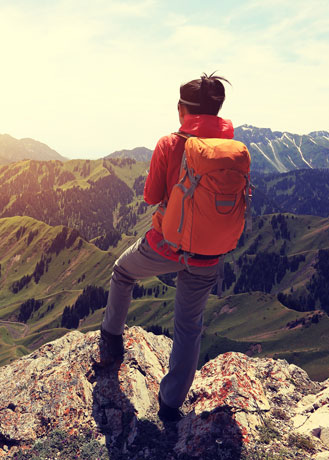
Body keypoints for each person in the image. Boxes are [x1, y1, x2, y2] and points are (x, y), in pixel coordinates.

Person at [97, 73, 234, 423]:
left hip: (167, 246)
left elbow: (151, 197)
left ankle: (111, 340)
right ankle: (170, 406)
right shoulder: (230, 149)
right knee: (189, 327)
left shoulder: (170, 144)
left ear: (182, 109)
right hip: (208, 254)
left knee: (122, 272)